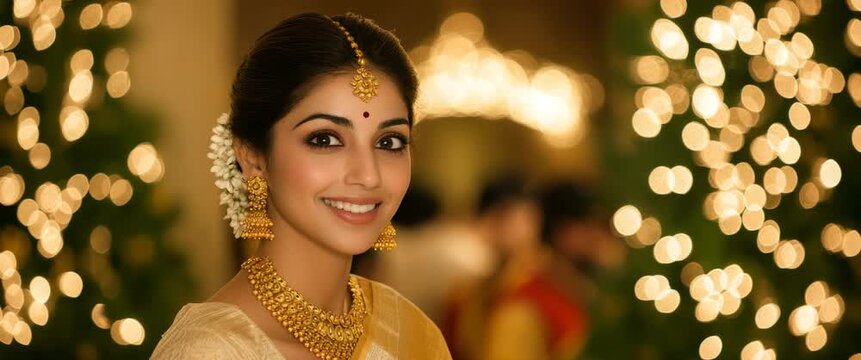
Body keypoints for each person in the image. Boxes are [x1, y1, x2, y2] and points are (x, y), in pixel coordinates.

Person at [151, 13, 451, 360]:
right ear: (252, 158)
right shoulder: (211, 351)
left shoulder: (411, 334)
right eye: (325, 139)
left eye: (389, 142)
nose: (368, 176)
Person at [444, 176, 587, 360]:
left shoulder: (557, 284)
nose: (510, 227)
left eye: (520, 218)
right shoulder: (465, 296)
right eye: (499, 217)